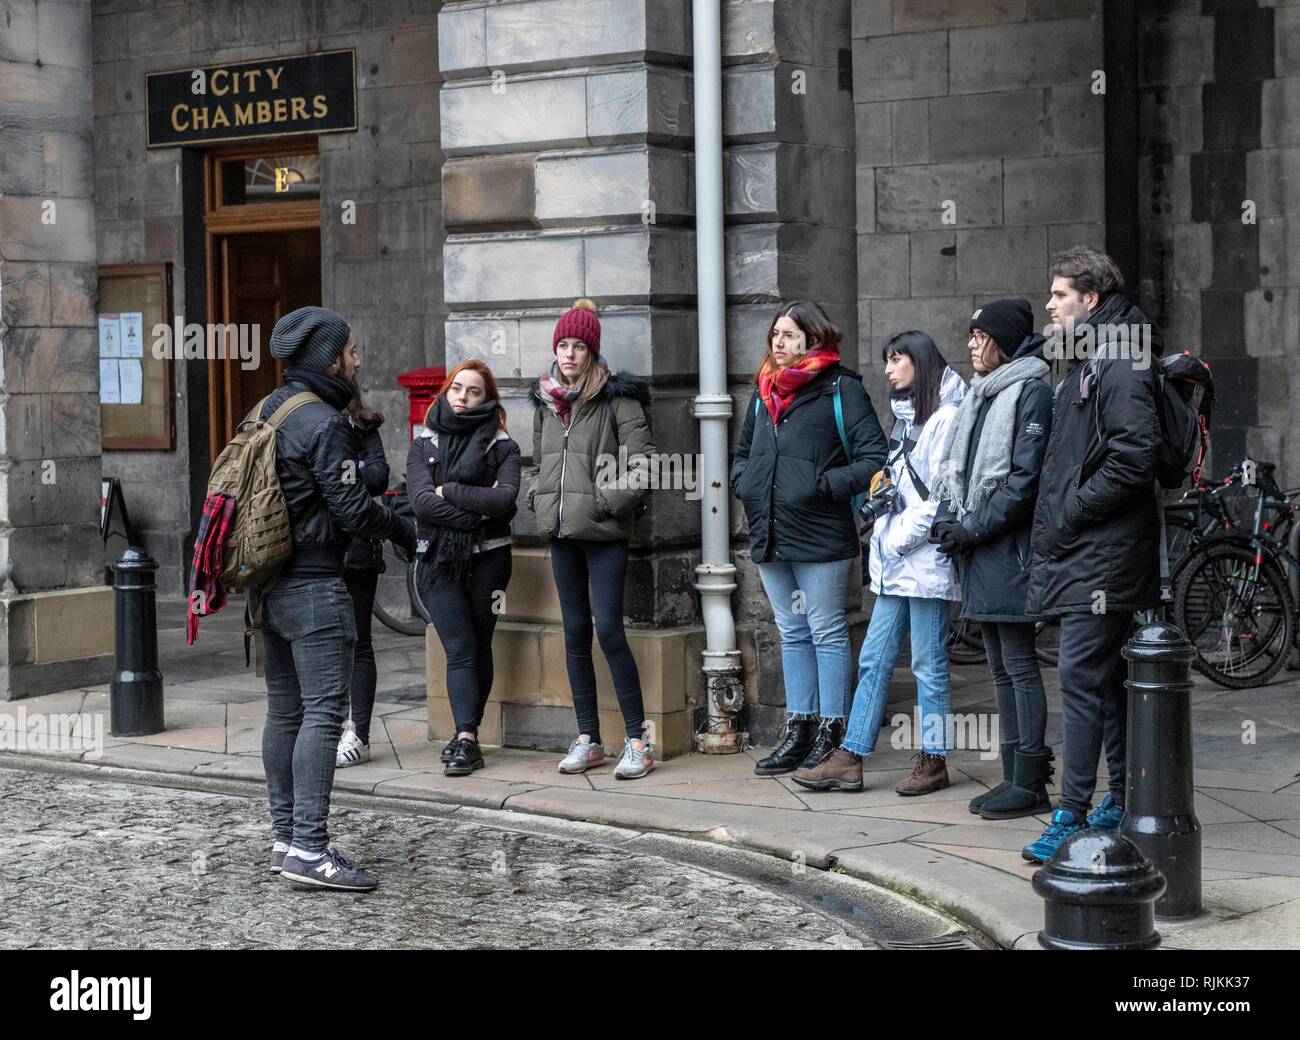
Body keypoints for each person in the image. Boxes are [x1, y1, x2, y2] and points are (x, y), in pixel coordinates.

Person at [253, 306, 415, 891]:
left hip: (269, 584)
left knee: (284, 711)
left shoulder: (268, 410)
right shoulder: (324, 421)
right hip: (317, 584)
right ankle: (311, 850)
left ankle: (285, 837)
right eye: (350, 351)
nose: (358, 359)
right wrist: (402, 529)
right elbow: (350, 508)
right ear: (328, 358)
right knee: (324, 714)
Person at [1021, 247, 1162, 863]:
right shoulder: (1087, 357)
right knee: (1101, 683)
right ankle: (1121, 797)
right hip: (1089, 551)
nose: (1049, 306)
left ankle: (1072, 812)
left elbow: (1137, 453)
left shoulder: (1119, 359)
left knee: (1081, 679)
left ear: (1091, 301)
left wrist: (1074, 510)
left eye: (1058, 295)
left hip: (1102, 555)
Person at [792, 331, 965, 795]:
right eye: (887, 361)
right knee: (873, 659)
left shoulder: (946, 419)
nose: (888, 370)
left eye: (896, 360)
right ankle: (850, 755)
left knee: (928, 663)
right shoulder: (906, 420)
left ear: (921, 364)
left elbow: (942, 500)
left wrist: (896, 541)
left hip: (924, 565)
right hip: (897, 565)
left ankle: (933, 759)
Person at [729, 302, 887, 775]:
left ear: (814, 340)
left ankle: (831, 733)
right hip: (772, 529)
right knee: (792, 633)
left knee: (826, 632)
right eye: (776, 334)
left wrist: (821, 486)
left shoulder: (842, 389)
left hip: (821, 532)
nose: (780, 343)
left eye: (791, 335)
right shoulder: (763, 391)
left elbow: (873, 456)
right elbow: (742, 454)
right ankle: (798, 729)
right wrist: (747, 484)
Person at [930, 299, 1054, 819]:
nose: (971, 344)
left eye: (980, 336)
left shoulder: (1032, 392)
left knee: (1021, 666)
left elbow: (1024, 482)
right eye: (970, 335)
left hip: (1010, 550)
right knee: (1000, 667)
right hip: (985, 551)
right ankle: (1013, 777)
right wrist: (945, 519)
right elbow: (956, 472)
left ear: (1003, 340)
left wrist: (970, 530)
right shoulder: (982, 395)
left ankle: (1030, 782)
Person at [527, 298, 657, 780]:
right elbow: (538, 464)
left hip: (603, 533)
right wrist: (538, 500)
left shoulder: (617, 398)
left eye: (579, 346)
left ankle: (638, 742)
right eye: (563, 345)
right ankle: (588, 738)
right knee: (574, 634)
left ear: (592, 351)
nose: (569, 354)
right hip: (561, 534)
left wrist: (603, 503)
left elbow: (644, 464)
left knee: (609, 633)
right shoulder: (545, 402)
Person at [408, 360, 521, 777]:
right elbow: (421, 502)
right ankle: (466, 738)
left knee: (479, 643)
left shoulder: (504, 447)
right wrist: (475, 510)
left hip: (491, 559)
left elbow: (505, 500)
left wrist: (451, 491)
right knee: (459, 647)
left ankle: (465, 738)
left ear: (487, 399)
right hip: (438, 560)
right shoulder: (424, 444)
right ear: (446, 391)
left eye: (473, 391)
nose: (462, 398)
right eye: (457, 389)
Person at [335, 384, 390, 769]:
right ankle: (328, 727)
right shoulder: (305, 422)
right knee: (322, 646)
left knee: (359, 642)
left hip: (357, 549)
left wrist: (343, 470)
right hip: (313, 551)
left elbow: (379, 476)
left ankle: (360, 733)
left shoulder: (362, 426)